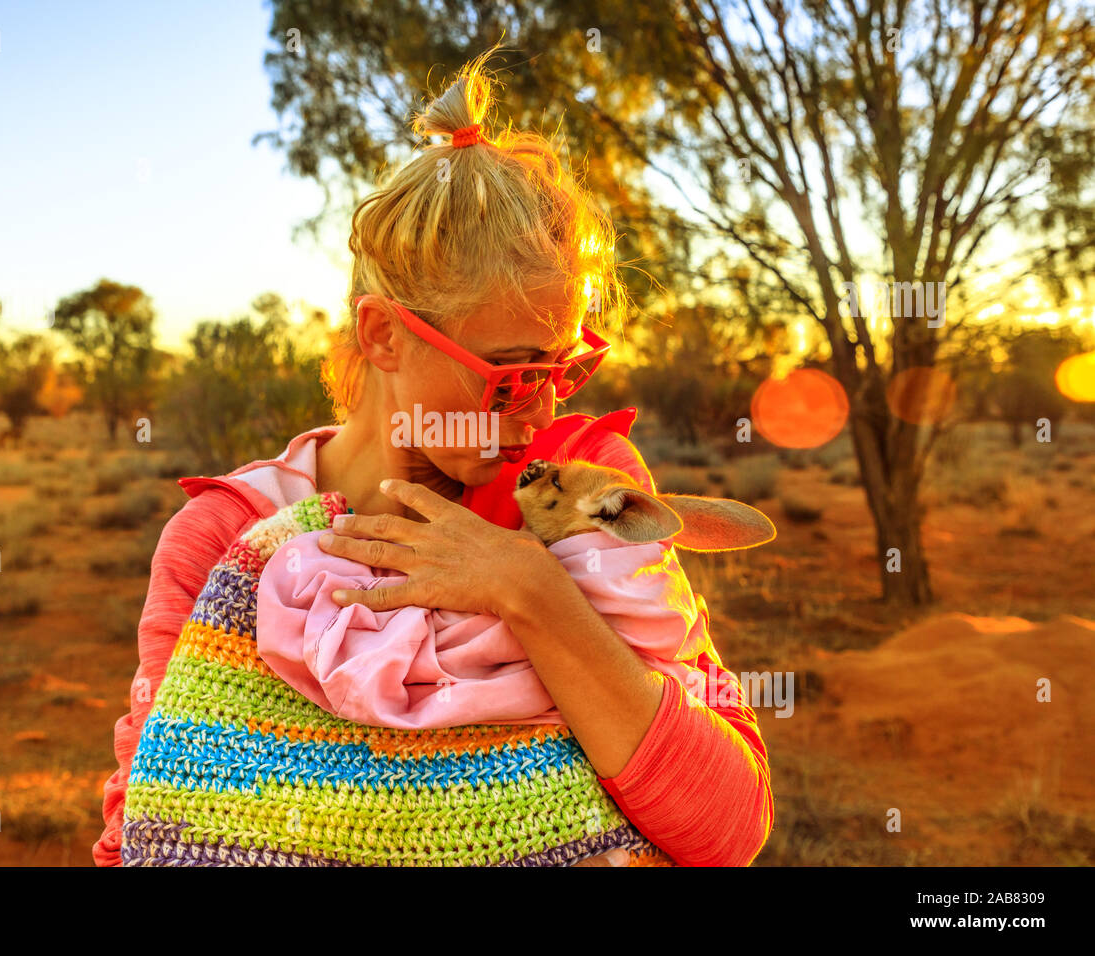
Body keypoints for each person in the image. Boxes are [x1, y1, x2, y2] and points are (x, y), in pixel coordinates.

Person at [95, 47, 773, 867]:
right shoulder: (228, 537)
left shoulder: (576, 488)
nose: (543, 411)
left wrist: (531, 590)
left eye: (565, 369)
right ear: (382, 334)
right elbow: (152, 828)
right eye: (515, 375)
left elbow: (728, 827)